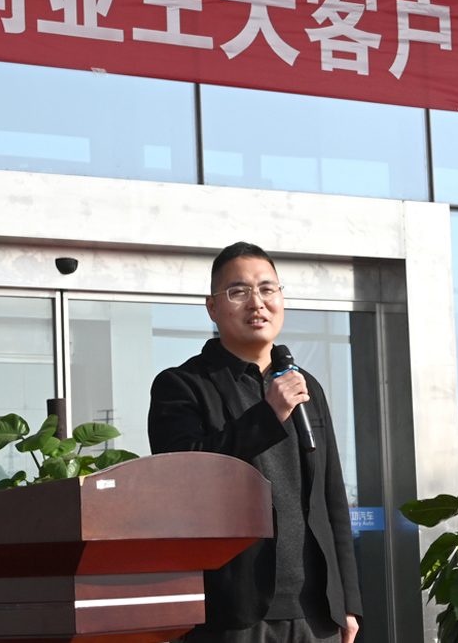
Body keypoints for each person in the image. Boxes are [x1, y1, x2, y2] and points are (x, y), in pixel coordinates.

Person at [148, 242, 362, 643]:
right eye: (239, 291)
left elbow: (332, 499)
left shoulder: (305, 386)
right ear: (212, 307)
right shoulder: (181, 385)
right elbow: (185, 476)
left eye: (267, 289)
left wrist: (347, 599)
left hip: (316, 612)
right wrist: (268, 415)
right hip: (231, 612)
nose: (257, 302)